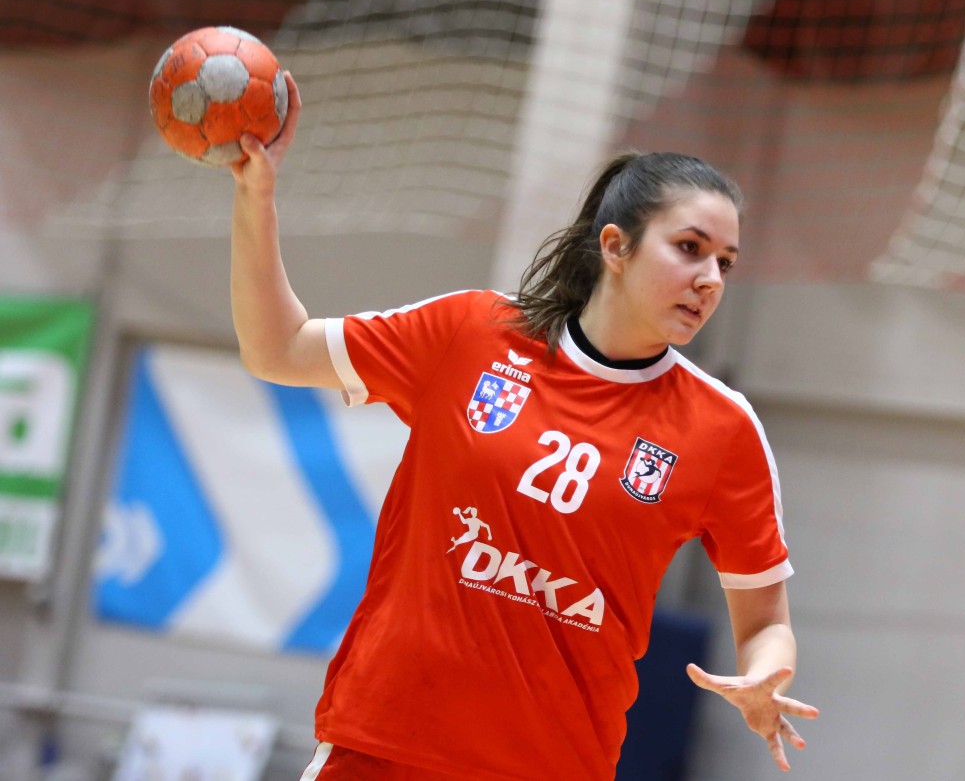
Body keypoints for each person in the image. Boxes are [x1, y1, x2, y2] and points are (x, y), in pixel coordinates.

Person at [230, 71, 818, 780]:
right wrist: (255, 198)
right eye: (690, 248)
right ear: (615, 246)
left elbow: (766, 620)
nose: (710, 279)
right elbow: (277, 349)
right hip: (382, 743)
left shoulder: (722, 427)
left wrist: (765, 675)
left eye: (725, 262)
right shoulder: (472, 332)